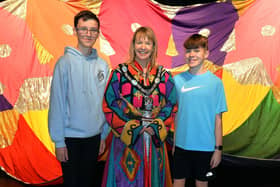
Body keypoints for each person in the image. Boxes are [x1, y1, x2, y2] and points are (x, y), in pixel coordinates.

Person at [102, 26, 177, 187]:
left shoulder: (163, 75)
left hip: (154, 138)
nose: (143, 47)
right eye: (139, 42)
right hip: (127, 140)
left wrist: (156, 126)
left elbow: (172, 104)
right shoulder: (119, 73)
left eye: (148, 43)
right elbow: (109, 103)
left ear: (154, 47)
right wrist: (134, 126)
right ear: (133, 45)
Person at [48, 10, 110, 187]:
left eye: (93, 30)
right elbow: (57, 104)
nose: (88, 34)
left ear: (98, 33)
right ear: (75, 31)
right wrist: (59, 142)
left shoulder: (102, 65)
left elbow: (105, 103)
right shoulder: (64, 63)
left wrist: (103, 135)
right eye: (84, 29)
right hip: (70, 140)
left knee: (88, 182)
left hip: (94, 138)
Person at [173, 34, 228, 187]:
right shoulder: (177, 80)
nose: (192, 55)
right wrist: (175, 144)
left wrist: (218, 149)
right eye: (188, 51)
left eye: (196, 50)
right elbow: (177, 115)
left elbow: (218, 120)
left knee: (202, 184)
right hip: (181, 146)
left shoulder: (216, 83)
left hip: (205, 147)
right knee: (177, 182)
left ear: (206, 54)